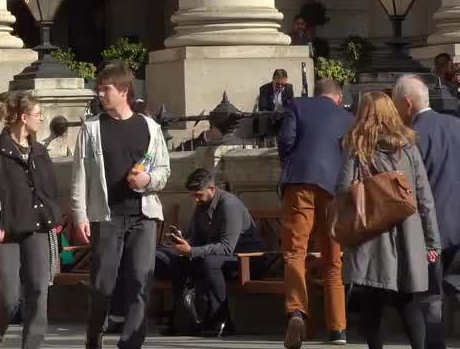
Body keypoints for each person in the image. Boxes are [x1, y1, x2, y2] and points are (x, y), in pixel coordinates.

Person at [70, 61, 170, 349]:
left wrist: (147, 180)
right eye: (99, 88)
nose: (99, 93)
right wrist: (80, 217)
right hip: (107, 217)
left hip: (143, 216)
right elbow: (79, 178)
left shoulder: (149, 127)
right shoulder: (91, 129)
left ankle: (130, 344)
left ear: (124, 90)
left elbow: (163, 171)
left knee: (141, 282)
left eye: (106, 88)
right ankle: (94, 336)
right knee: (103, 285)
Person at [337, 91, 440, 349]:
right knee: (409, 305)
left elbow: (342, 190)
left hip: (372, 236)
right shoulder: (408, 146)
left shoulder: (356, 147)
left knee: (371, 308)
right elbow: (424, 197)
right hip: (408, 232)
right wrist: (432, 243)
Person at [0, 91, 61, 349]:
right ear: (23, 118)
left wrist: (53, 216)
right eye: (38, 116)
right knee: (8, 296)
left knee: (38, 291)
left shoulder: (39, 150)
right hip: (6, 233)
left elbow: (50, 189)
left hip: (37, 230)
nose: (41, 120)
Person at [277, 76, 352, 348]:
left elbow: (285, 140)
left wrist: (289, 166)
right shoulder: (347, 117)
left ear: (316, 93)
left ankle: (297, 311)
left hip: (299, 183)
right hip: (333, 189)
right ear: (339, 97)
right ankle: (338, 329)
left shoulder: (296, 105)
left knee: (295, 252)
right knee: (333, 260)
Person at [392, 75, 460, 349]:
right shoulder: (457, 125)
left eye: (397, 106)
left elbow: (408, 191)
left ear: (407, 104)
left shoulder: (411, 139)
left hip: (431, 231)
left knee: (431, 299)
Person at [155, 168, 262, 337]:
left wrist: (192, 250)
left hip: (245, 259)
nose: (196, 200)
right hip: (218, 255)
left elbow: (227, 247)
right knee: (178, 261)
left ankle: (222, 319)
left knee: (209, 262)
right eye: (193, 196)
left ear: (211, 189)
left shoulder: (229, 205)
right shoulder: (202, 205)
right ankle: (186, 319)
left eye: (199, 194)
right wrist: (183, 242)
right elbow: (196, 238)